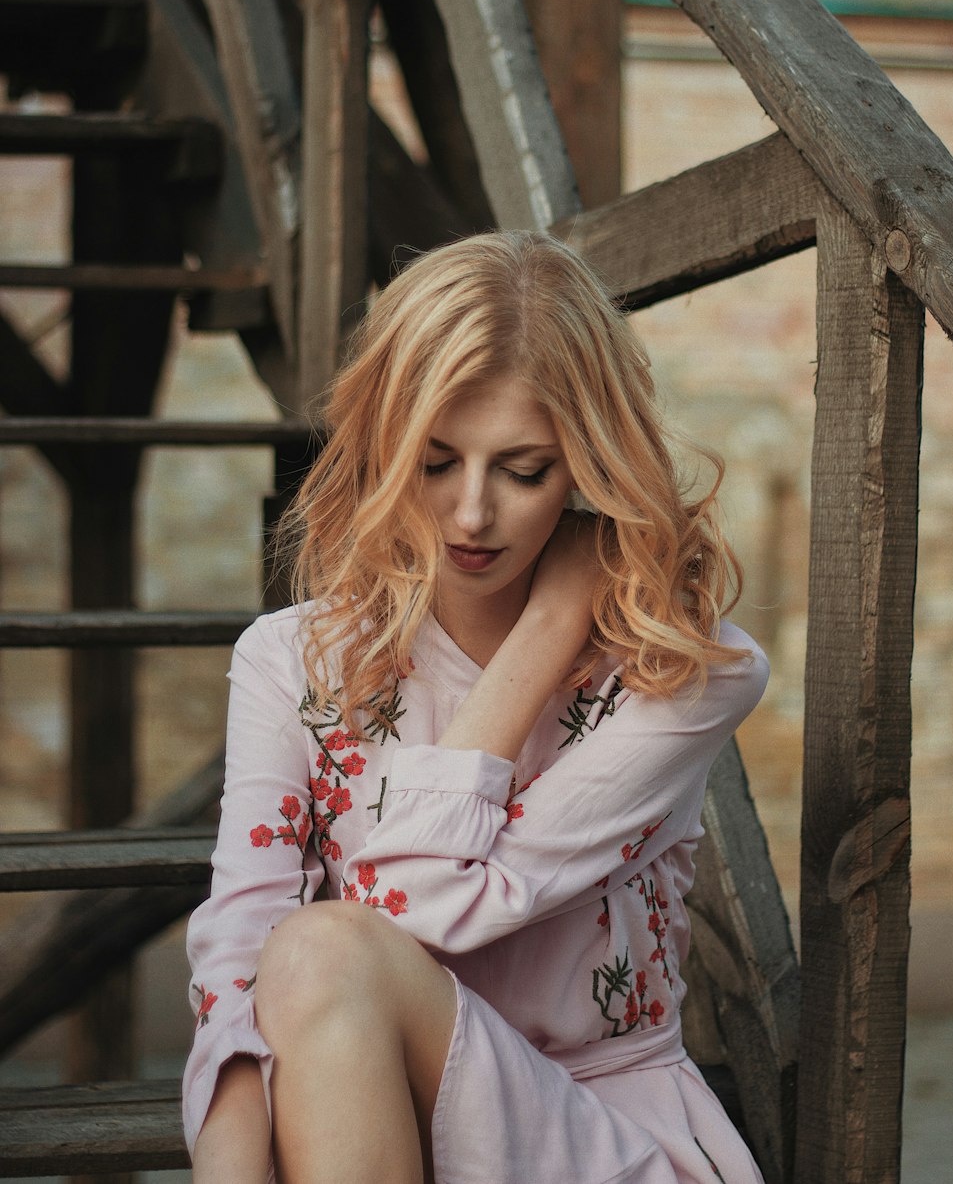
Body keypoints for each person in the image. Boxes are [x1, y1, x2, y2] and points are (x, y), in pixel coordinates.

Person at [183, 230, 769, 1184]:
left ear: (586, 464)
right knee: (299, 958)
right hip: (357, 1118)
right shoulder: (289, 657)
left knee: (325, 943)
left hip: (590, 1134)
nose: (469, 514)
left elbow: (414, 907)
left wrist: (546, 634)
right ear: (384, 442)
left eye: (522, 469)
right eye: (436, 459)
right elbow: (237, 952)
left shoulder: (683, 674)